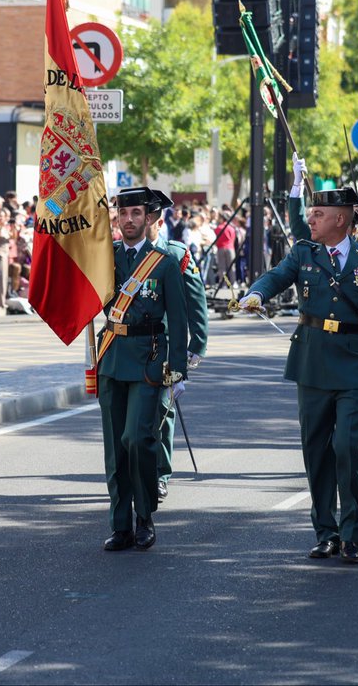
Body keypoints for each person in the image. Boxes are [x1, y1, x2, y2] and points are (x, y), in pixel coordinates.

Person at [238, 186, 358, 564]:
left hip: (356, 364)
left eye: (317, 213)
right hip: (312, 362)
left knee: (347, 446)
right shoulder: (304, 253)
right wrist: (256, 294)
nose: (310, 219)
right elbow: (276, 276)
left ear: (341, 219)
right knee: (316, 450)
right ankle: (326, 532)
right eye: (311, 212)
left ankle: (352, 534)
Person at [96, 188, 188, 553]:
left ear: (150, 218)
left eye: (136, 213)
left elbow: (178, 321)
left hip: (149, 360)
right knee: (114, 448)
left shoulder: (164, 263)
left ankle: (145, 517)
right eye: (123, 213)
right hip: (112, 357)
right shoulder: (105, 258)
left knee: (137, 439)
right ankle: (121, 525)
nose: (128, 219)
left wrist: (177, 370)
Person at [139, 188, 208, 501]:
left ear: (157, 218)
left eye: (144, 215)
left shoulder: (177, 254)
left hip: (165, 346)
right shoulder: (119, 252)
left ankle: (159, 474)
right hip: (130, 346)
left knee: (161, 414)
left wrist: (197, 346)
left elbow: (196, 304)